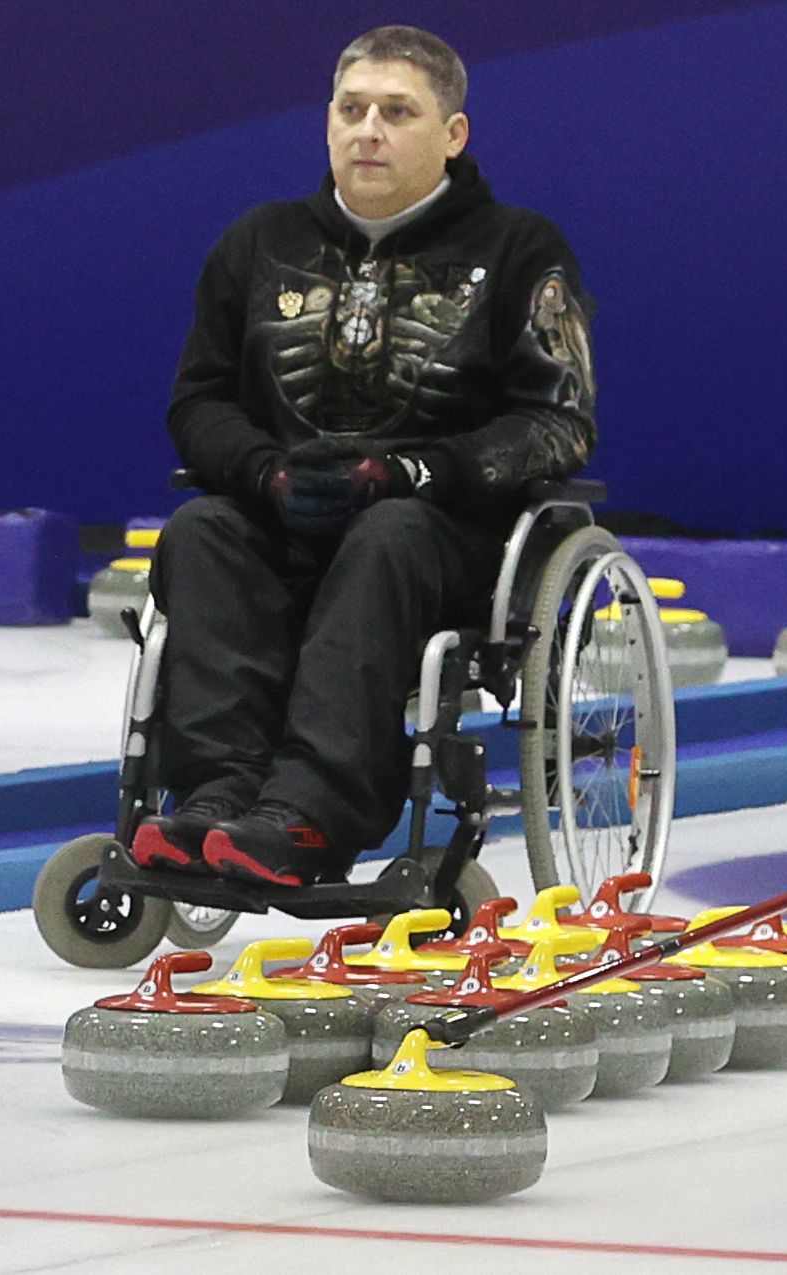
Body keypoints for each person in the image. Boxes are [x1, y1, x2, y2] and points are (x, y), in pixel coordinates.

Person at [131, 25, 597, 887]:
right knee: (201, 530)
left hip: (441, 535)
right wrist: (265, 472)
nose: (368, 130)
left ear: (452, 135)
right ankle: (215, 793)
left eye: (397, 111)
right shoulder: (258, 243)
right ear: (327, 123)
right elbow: (198, 401)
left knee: (387, 535)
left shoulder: (519, 249)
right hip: (283, 510)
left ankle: (310, 811)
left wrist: (412, 471)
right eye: (351, 110)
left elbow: (559, 421)